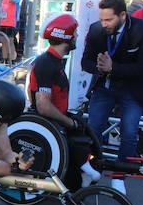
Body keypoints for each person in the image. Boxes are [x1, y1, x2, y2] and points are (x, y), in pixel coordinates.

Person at [81, 0, 143, 194]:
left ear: (123, 15)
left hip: (133, 90)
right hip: (104, 88)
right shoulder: (97, 30)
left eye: (109, 20)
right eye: (102, 19)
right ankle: (92, 169)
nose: (104, 24)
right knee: (93, 128)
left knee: (129, 133)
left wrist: (114, 68)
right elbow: (85, 62)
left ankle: (120, 176)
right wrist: (99, 67)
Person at [27, 13, 103, 189]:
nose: (76, 36)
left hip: (56, 119)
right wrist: (69, 122)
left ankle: (85, 170)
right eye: (74, 33)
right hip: (47, 122)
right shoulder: (46, 63)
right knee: (77, 131)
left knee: (86, 131)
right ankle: (82, 173)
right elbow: (43, 105)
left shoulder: (56, 62)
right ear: (65, 35)